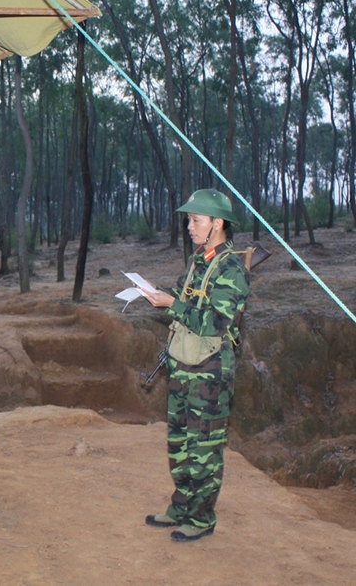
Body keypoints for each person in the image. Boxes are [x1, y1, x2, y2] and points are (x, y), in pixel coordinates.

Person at [139, 189, 250, 542]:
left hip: (210, 373)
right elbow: (186, 295)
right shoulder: (199, 259)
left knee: (204, 449)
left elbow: (216, 322)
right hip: (184, 366)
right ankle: (182, 505)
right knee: (179, 444)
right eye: (188, 219)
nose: (189, 226)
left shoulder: (231, 268)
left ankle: (201, 519)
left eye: (196, 220)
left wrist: (172, 304)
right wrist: (156, 292)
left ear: (217, 224)